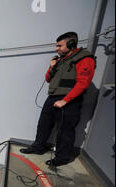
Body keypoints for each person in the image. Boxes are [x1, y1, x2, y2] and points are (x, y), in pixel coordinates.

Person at [20, 32, 96, 167]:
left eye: (59, 45)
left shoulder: (85, 58)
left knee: (65, 130)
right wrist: (51, 66)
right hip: (53, 97)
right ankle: (38, 147)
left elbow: (83, 83)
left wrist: (65, 101)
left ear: (71, 44)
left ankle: (62, 157)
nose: (57, 49)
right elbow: (48, 79)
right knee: (44, 123)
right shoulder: (60, 60)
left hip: (70, 100)